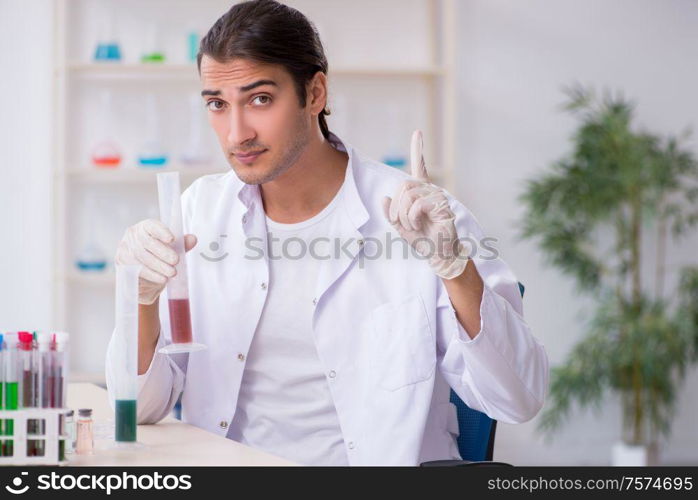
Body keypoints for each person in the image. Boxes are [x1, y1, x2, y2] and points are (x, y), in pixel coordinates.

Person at [106, 0, 549, 466]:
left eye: (260, 99)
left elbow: (519, 398)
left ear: (314, 93)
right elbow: (141, 408)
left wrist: (455, 268)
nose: (236, 133)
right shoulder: (198, 212)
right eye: (217, 104)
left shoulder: (418, 215)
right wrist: (141, 299)